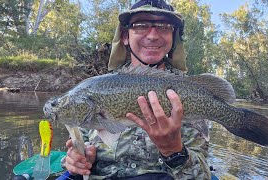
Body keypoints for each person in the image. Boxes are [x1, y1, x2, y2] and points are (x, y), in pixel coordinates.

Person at [62, 0, 211, 179]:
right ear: (125, 36)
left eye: (164, 26)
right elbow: (80, 146)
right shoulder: (95, 88)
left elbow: (202, 175)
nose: (153, 35)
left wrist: (174, 151)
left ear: (173, 38)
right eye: (141, 25)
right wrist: (78, 158)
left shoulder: (190, 92)